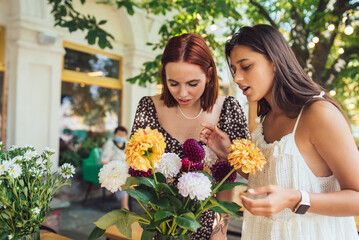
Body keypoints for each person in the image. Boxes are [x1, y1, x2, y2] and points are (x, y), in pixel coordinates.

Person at [199, 24, 359, 239]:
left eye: (246, 67)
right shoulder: (266, 117)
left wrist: (295, 199)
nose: (236, 78)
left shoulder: (319, 114)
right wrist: (229, 153)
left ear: (275, 62)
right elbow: (269, 178)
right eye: (234, 70)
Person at [130, 33, 250, 240]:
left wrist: (219, 232)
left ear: (209, 75)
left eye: (192, 84)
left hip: (208, 230)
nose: (182, 93)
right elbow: (137, 170)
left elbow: (239, 175)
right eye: (173, 83)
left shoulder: (229, 108)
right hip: (161, 228)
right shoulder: (148, 107)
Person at [101, 126, 129, 210]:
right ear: (115, 134)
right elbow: (103, 161)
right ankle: (125, 207)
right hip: (113, 170)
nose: (121, 136)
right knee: (123, 182)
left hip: (127, 170)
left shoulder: (127, 144)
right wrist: (116, 167)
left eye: (123, 135)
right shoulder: (109, 144)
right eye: (119, 134)